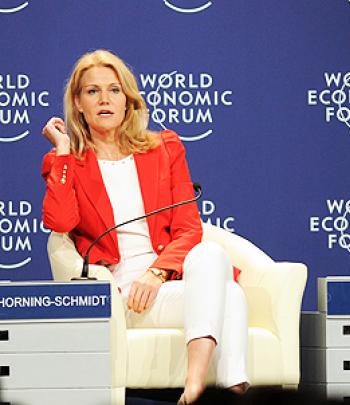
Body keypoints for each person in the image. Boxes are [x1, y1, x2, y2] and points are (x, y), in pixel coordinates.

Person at [40, 49, 249, 404]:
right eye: (92, 91)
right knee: (230, 293)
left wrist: (156, 274)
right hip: (123, 295)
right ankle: (233, 390)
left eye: (114, 90)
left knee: (212, 255)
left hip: (165, 281)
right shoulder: (67, 163)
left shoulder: (164, 149)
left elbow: (188, 228)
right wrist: (62, 150)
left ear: (128, 101)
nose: (104, 99)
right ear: (78, 104)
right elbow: (59, 222)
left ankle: (196, 384)